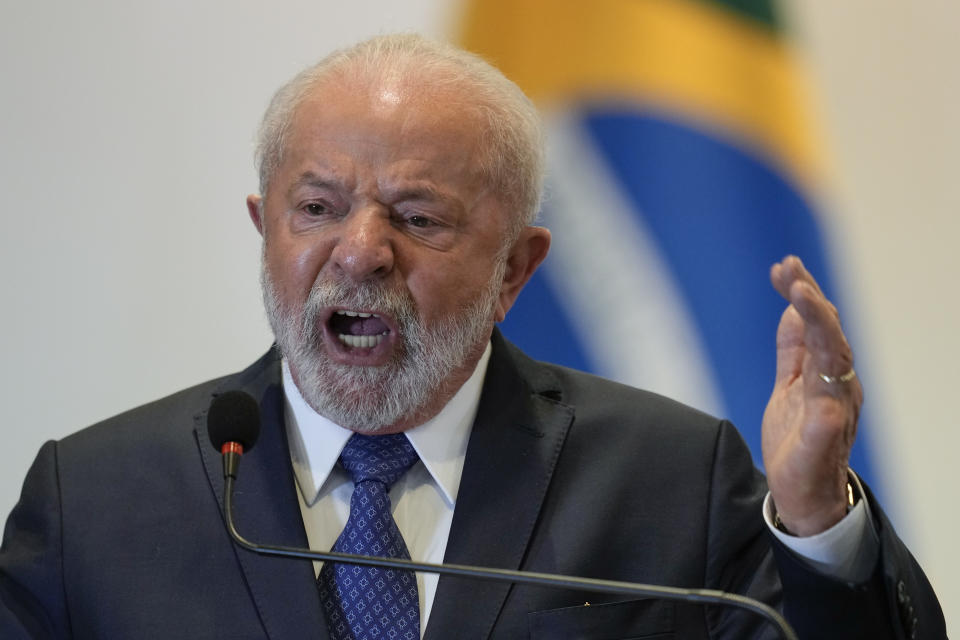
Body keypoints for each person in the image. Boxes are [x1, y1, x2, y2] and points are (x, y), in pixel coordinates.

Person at [0, 34, 945, 639]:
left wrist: (817, 518)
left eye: (418, 218)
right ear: (264, 229)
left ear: (517, 270)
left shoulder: (671, 479)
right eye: (317, 207)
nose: (360, 253)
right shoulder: (93, 504)